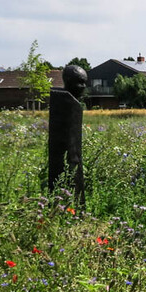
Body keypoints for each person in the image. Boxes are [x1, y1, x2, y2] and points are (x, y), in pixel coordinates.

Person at [48, 65, 87, 205]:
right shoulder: (65, 102)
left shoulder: (72, 103)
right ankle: (69, 206)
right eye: (80, 82)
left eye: (85, 83)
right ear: (68, 81)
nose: (83, 86)